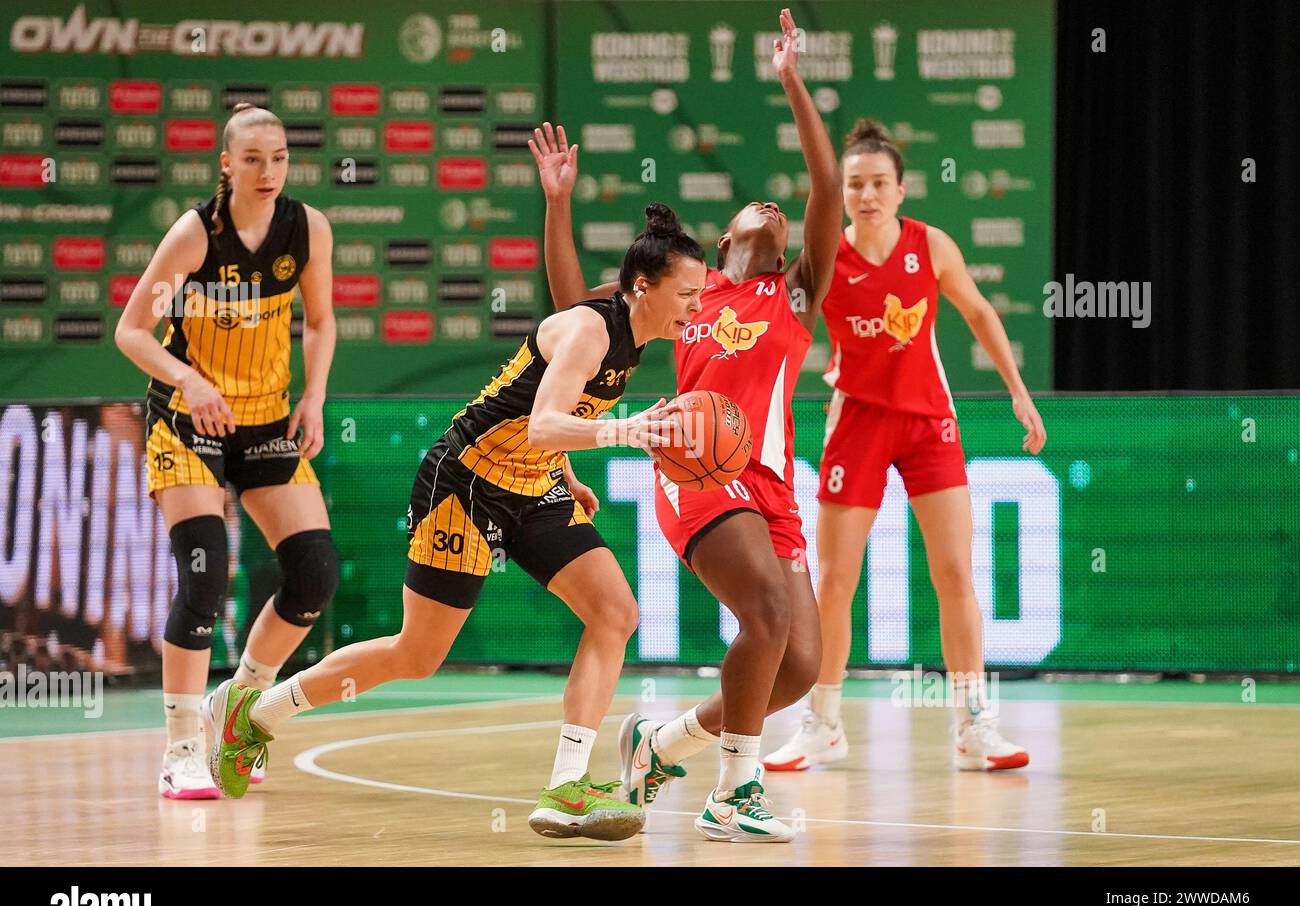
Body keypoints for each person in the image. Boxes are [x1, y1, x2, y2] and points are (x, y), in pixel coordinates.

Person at [207, 204, 706, 842]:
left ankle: (567, 784)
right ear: (643, 287)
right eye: (687, 293)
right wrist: (625, 431)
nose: (697, 304)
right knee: (418, 655)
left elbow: (546, 421)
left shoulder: (634, 340)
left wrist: (569, 474)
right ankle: (255, 712)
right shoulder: (590, 330)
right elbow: (543, 422)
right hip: (464, 484)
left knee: (616, 613)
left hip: (535, 484)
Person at [535, 8, 841, 842]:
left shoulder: (797, 293)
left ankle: (660, 741)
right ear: (724, 237)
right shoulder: (686, 294)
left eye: (781, 212)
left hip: (770, 484)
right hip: (693, 469)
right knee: (770, 617)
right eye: (756, 204)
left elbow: (826, 188)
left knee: (801, 667)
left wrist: (791, 81)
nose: (773, 205)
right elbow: (576, 311)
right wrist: (558, 206)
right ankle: (732, 795)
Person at [762, 119, 1047, 774]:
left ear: (901, 188)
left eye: (878, 183)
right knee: (834, 582)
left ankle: (976, 724)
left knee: (954, 573)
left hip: (929, 423)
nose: (866, 195)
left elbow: (979, 312)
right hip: (857, 419)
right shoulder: (827, 256)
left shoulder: (932, 246)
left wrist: (1019, 392)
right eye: (855, 184)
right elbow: (781, 332)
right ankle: (823, 722)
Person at [114, 103, 338, 800]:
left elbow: (322, 320)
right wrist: (188, 379)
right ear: (225, 163)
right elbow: (132, 332)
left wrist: (315, 397)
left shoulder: (306, 228)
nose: (267, 171)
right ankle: (181, 748)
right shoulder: (193, 236)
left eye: (278, 158)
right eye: (252, 159)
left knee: (314, 575)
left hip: (269, 419)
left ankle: (237, 704)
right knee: (205, 580)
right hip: (188, 423)